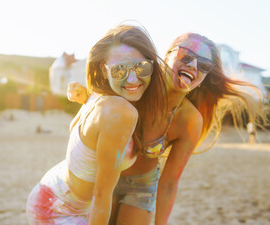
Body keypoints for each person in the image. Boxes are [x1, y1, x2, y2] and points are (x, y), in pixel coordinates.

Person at [68, 32, 269, 224]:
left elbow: (170, 182)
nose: (192, 65)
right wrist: (87, 98)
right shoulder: (136, 86)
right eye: (185, 56)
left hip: (142, 187)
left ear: (203, 79)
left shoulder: (189, 121)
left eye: (204, 64)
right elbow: (97, 113)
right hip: (102, 177)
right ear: (166, 57)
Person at [26, 24, 168, 224]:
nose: (133, 78)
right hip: (60, 210)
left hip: (52, 192)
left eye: (142, 67)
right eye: (119, 70)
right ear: (103, 69)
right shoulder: (121, 111)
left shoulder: (99, 96)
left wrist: (83, 97)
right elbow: (102, 195)